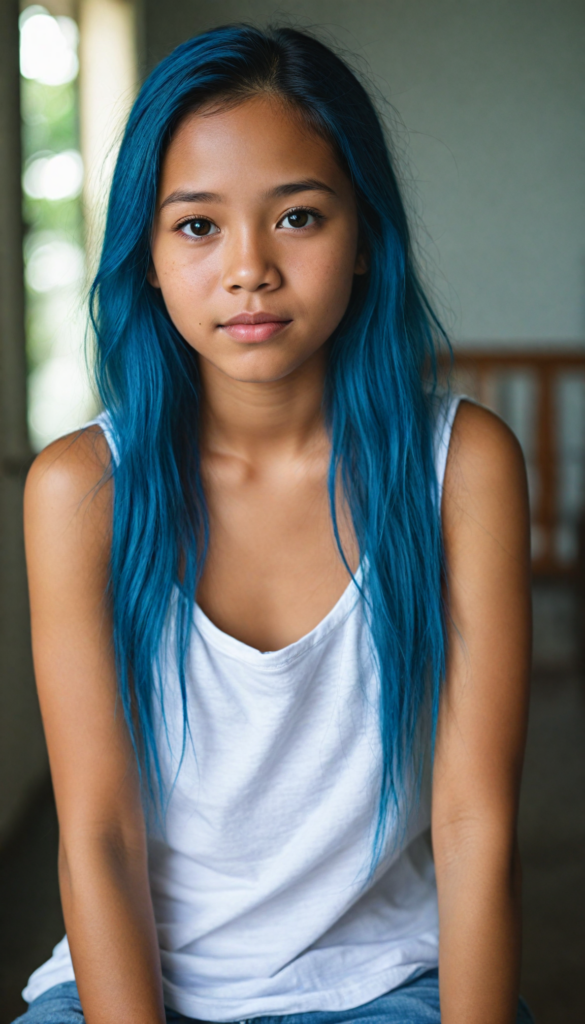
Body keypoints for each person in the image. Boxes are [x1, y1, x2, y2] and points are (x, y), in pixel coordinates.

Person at [17, 24, 533, 1024]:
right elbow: (99, 837)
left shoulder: (460, 468)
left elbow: (476, 824)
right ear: (147, 257)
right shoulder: (81, 489)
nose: (249, 267)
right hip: (123, 982)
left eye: (298, 216)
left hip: (385, 982)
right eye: (197, 226)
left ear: (365, 236)